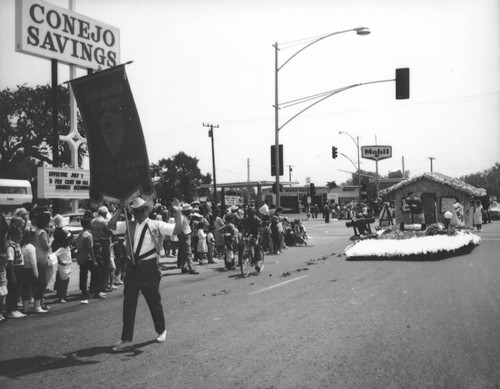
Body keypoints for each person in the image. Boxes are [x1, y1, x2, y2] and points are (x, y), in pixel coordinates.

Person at [107, 197, 183, 352]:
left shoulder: (156, 224)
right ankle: (126, 338)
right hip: (133, 266)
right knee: (129, 303)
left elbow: (176, 230)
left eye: (142, 210)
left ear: (147, 210)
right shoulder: (130, 224)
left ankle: (161, 330)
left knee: (153, 300)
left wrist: (178, 212)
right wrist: (121, 209)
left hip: (149, 267)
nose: (139, 213)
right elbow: (111, 225)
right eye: (136, 211)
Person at [76, 213, 105, 301]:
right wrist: (94, 260)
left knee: (83, 274)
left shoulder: (81, 234)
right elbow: (90, 249)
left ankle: (84, 291)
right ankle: (97, 291)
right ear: (88, 225)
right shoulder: (88, 235)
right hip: (87, 257)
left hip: (81, 256)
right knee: (97, 273)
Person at [5, 216, 27, 318]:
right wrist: (12, 275)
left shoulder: (16, 244)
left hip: (20, 269)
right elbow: (10, 262)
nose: (21, 236)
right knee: (13, 290)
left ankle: (14, 308)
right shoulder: (11, 246)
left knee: (18, 289)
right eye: (20, 234)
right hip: (15, 269)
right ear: (14, 235)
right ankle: (10, 310)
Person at [91, 206, 114, 293]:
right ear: (104, 213)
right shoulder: (104, 222)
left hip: (95, 243)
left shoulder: (93, 221)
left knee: (97, 266)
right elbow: (109, 232)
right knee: (105, 265)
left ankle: (94, 286)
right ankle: (103, 286)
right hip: (104, 244)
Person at [51, 215, 73, 303]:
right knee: (62, 281)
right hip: (63, 263)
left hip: (66, 263)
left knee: (64, 280)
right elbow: (54, 254)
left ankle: (62, 295)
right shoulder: (63, 245)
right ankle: (61, 296)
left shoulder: (58, 232)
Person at [21, 227, 38, 314]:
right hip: (30, 270)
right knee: (36, 287)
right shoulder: (31, 247)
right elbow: (33, 261)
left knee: (25, 288)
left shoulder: (23, 246)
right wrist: (36, 272)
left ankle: (26, 307)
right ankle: (37, 306)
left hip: (24, 270)